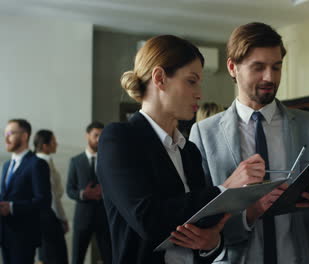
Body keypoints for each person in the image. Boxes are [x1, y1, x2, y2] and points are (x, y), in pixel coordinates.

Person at [190, 22, 309, 264]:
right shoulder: (204, 134)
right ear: (232, 67)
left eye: (276, 67)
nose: (269, 77)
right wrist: (248, 215)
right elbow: (199, 219)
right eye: (258, 67)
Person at [97, 35, 266, 264]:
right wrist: (224, 189)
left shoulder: (189, 152)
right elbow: (148, 219)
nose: (199, 93)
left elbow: (205, 231)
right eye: (191, 81)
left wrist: (212, 243)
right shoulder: (119, 139)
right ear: (160, 79)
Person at [0, 119, 51, 264]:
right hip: (5, 235)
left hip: (24, 236)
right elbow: (6, 195)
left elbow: (44, 201)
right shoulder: (7, 165)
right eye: (5, 134)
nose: (6, 138)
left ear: (24, 136)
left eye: (10, 133)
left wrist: (11, 207)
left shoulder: (37, 164)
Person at [66, 121, 112, 264]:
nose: (99, 139)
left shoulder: (109, 160)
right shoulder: (76, 161)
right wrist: (83, 194)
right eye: (95, 135)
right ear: (87, 136)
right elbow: (69, 189)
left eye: (101, 136)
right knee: (77, 258)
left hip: (104, 217)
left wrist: (104, 193)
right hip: (82, 218)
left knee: (109, 257)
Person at [34, 129, 69, 264]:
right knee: (55, 257)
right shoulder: (44, 163)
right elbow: (52, 195)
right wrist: (62, 218)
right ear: (45, 145)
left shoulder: (38, 161)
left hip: (42, 218)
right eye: (54, 142)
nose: (57, 144)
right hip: (50, 218)